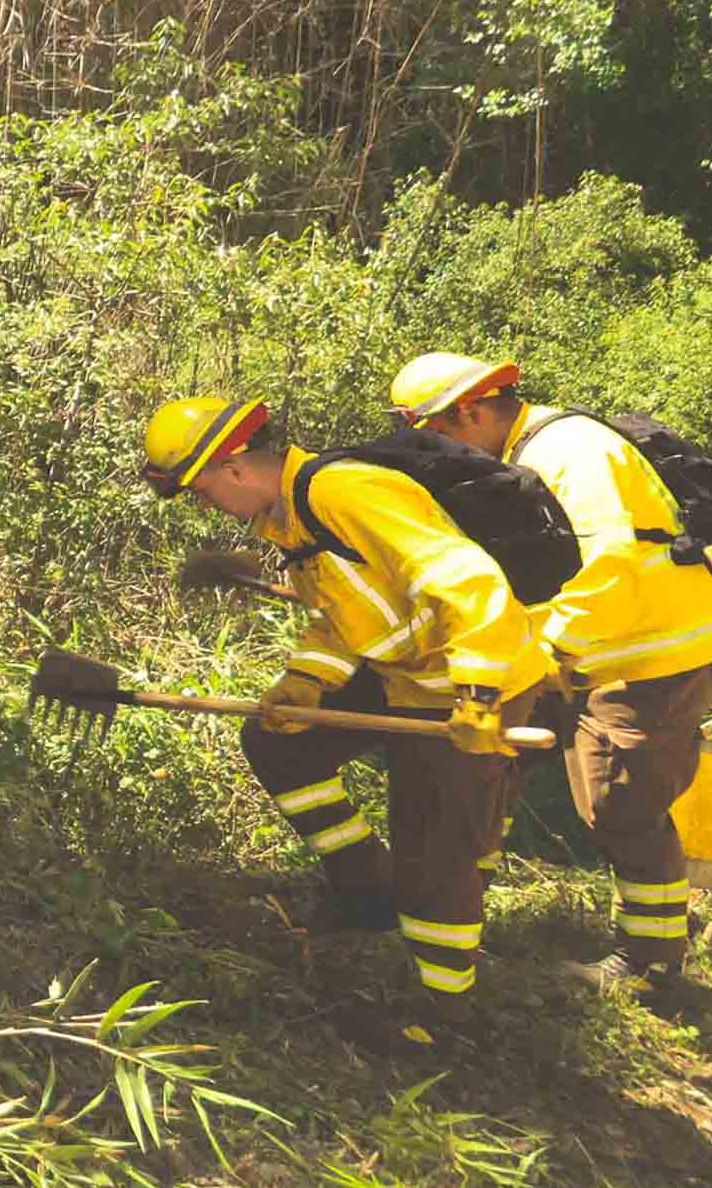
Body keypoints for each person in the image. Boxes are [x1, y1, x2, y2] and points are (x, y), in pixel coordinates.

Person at [138, 393, 552, 1040]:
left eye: (203, 490)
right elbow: (340, 616)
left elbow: (468, 581)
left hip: (473, 679)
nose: (207, 505)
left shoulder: (345, 493)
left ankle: (443, 1016)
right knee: (283, 744)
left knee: (435, 851)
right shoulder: (292, 518)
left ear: (237, 468)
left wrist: (478, 694)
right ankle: (366, 892)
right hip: (406, 673)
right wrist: (306, 684)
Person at [390, 353, 712, 993]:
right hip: (591, 653)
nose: (436, 453)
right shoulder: (522, 454)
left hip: (652, 657)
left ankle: (651, 963)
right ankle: (460, 915)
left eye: (434, 435)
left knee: (620, 805)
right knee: (494, 771)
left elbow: (611, 565)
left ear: (470, 411)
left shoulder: (571, 449)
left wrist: (540, 651)